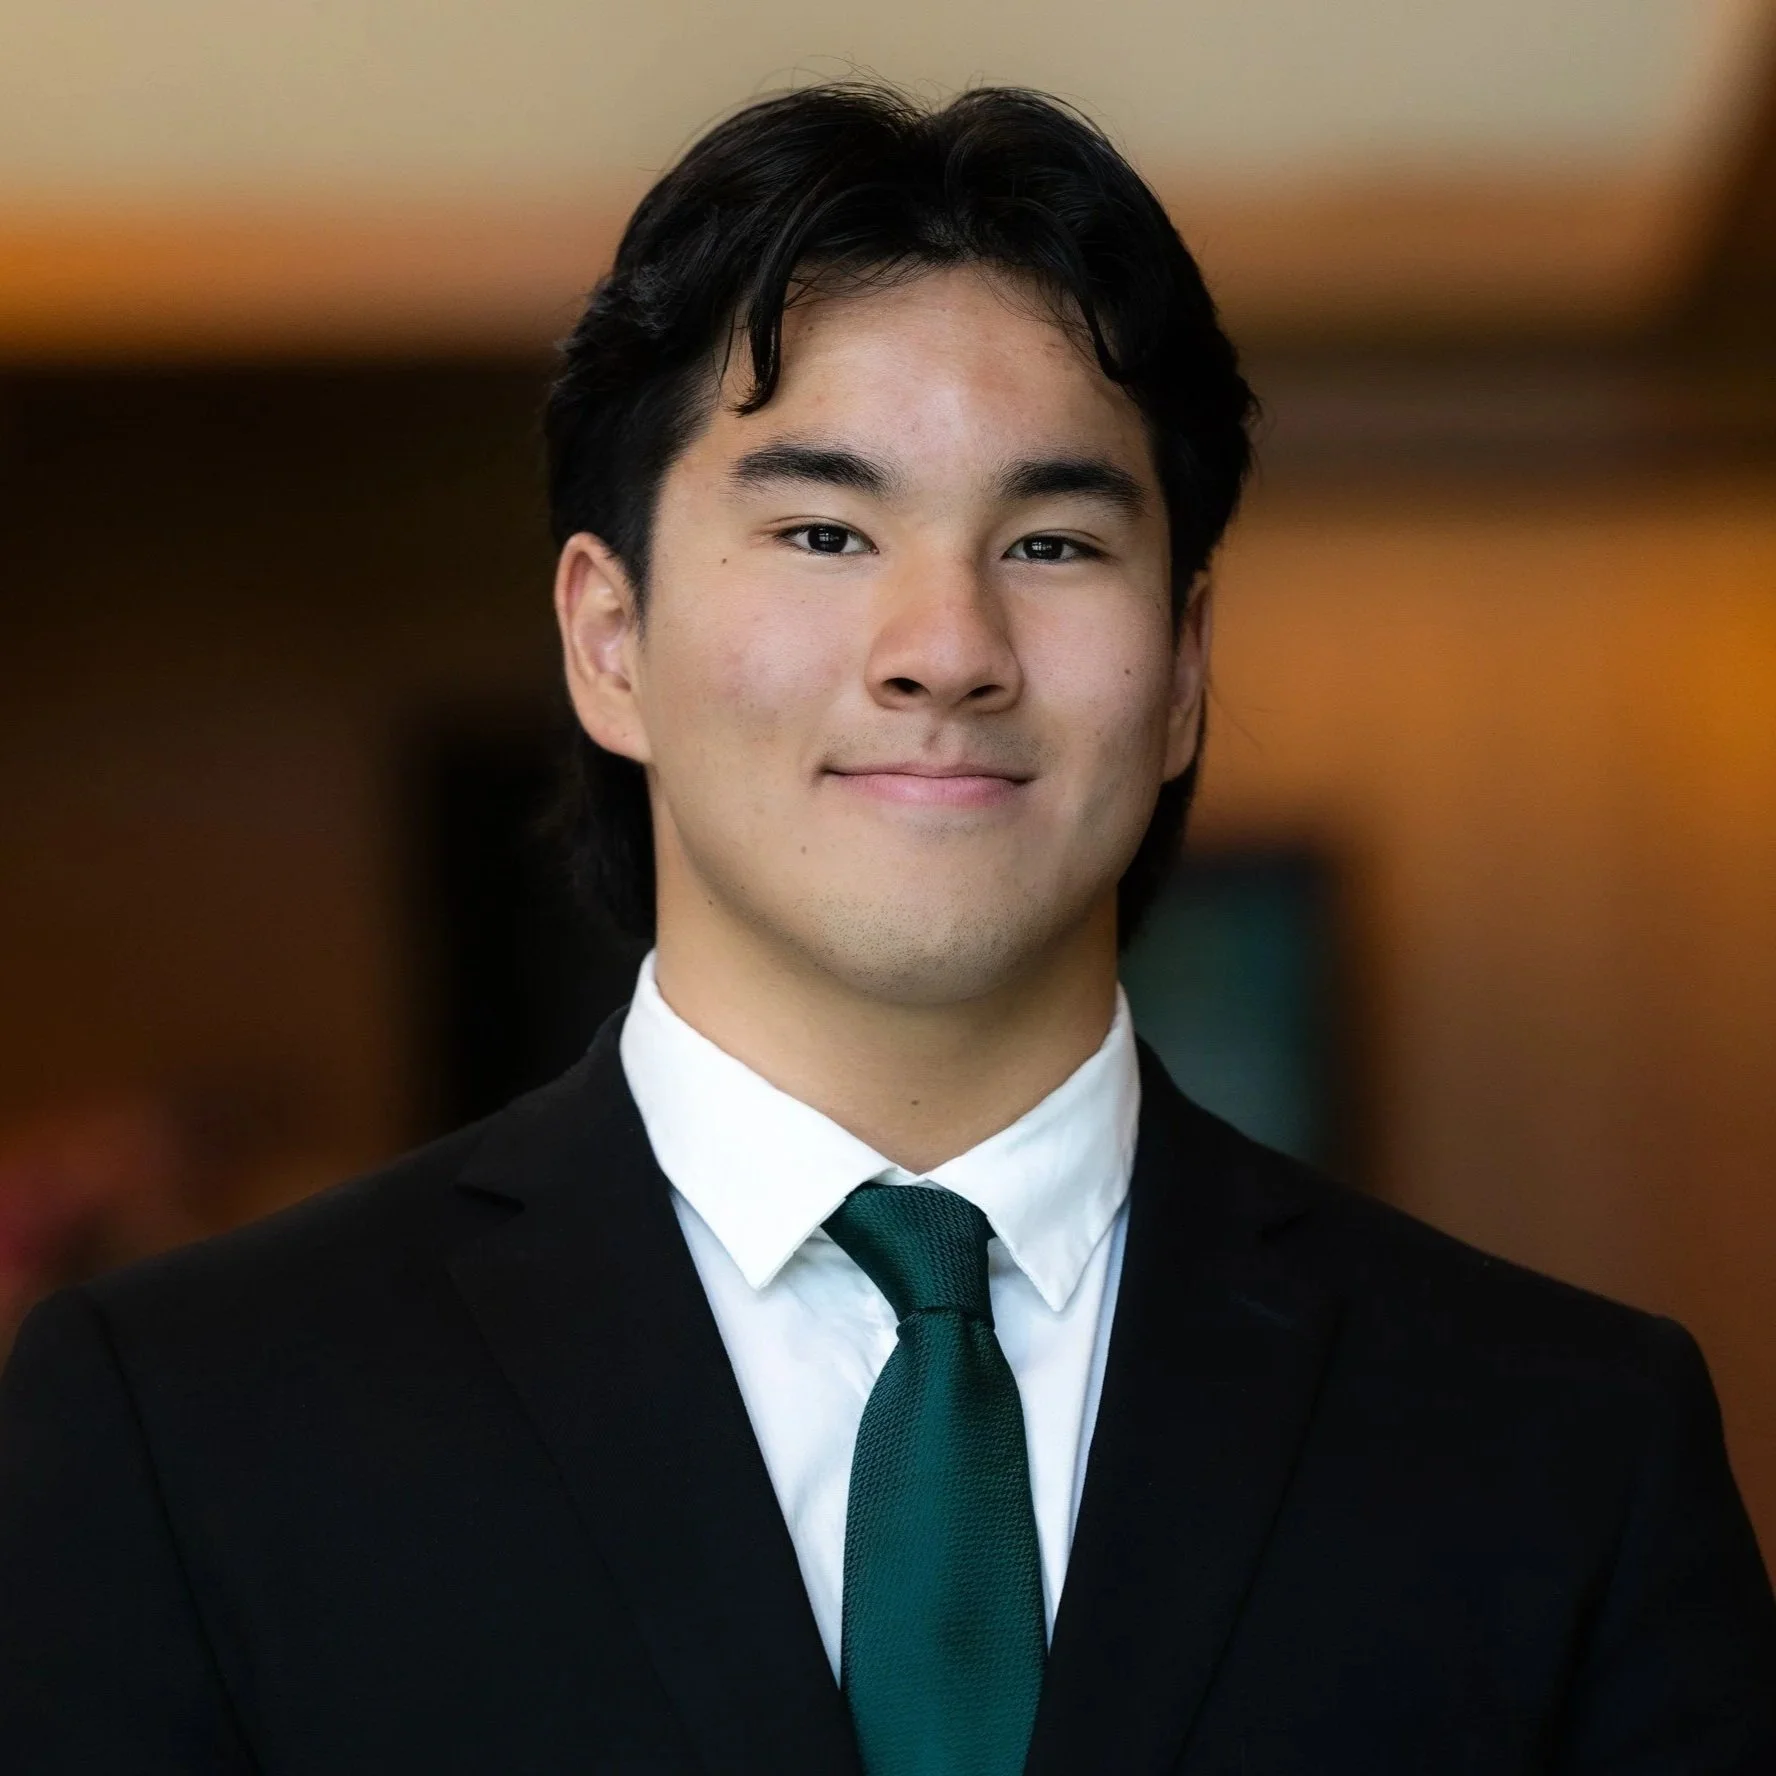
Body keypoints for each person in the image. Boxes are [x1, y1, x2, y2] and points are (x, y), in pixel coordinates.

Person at [1, 83, 1772, 1776]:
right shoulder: (186, 1423)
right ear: (608, 638)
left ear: (1183, 669)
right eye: (825, 530)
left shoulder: (1565, 1441)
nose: (945, 648)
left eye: (1054, 544)